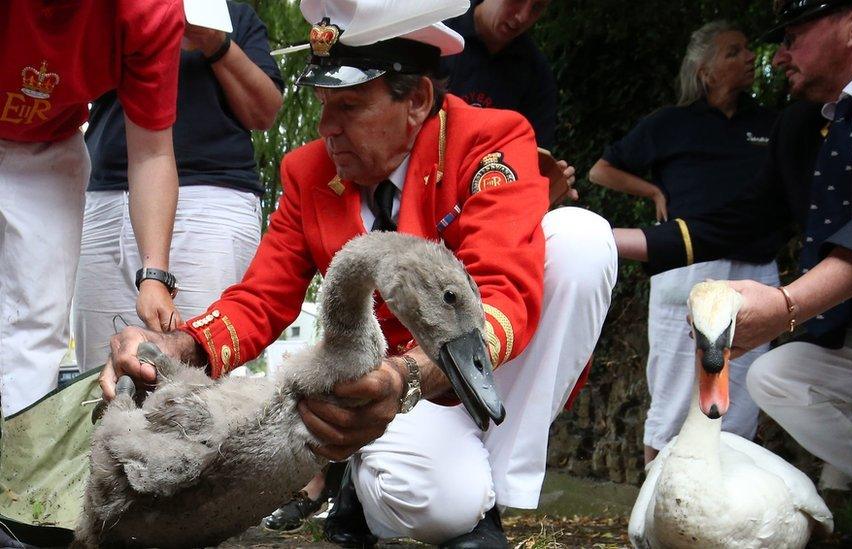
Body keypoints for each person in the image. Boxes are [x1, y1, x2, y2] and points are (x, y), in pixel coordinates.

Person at [101, 1, 617, 547]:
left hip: (469, 371)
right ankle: (383, 481)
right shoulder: (307, 173)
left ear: (417, 99)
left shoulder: (488, 141)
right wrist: (179, 347)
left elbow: (504, 294)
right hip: (385, 383)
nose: (326, 129)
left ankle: (494, 502)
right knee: (433, 510)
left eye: (348, 105)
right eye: (323, 104)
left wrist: (407, 378)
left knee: (582, 240)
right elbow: (261, 299)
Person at [622, 1, 852, 546]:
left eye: (793, 35)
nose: (781, 55)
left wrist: (789, 304)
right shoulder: (812, 124)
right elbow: (744, 221)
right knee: (779, 376)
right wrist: (600, 242)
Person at [590, 21, 781, 464]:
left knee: (742, 396)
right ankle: (654, 515)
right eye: (734, 52)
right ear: (706, 70)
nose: (750, 57)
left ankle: (726, 512)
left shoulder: (771, 124)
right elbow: (602, 170)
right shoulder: (671, 123)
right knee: (675, 392)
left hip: (756, 269)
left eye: (748, 49)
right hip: (686, 267)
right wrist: (653, 191)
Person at [74, 1, 284, 374]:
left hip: (209, 199)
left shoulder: (234, 16)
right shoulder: (114, 10)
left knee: (199, 377)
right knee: (97, 370)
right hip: (104, 193)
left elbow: (264, 111)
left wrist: (216, 43)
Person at [0, 0, 182, 418]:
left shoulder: (148, 9)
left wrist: (154, 275)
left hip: (50, 144)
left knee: (37, 328)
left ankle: (18, 468)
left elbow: (152, 152)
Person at [442, 0, 578, 205]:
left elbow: (533, 157)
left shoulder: (536, 74)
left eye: (536, 7)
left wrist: (548, 181)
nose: (522, 17)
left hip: (482, 197)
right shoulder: (437, 31)